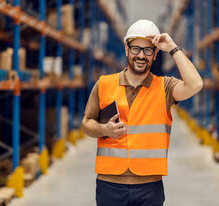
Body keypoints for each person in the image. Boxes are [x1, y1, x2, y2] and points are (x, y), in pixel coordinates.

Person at [82, 19, 203, 206]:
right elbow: (87, 123)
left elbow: (196, 84)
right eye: (136, 49)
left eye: (147, 50)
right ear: (126, 50)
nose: (141, 55)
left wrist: (172, 48)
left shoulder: (165, 87)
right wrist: (105, 130)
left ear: (155, 54)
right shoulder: (104, 84)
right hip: (110, 185)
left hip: (149, 187)